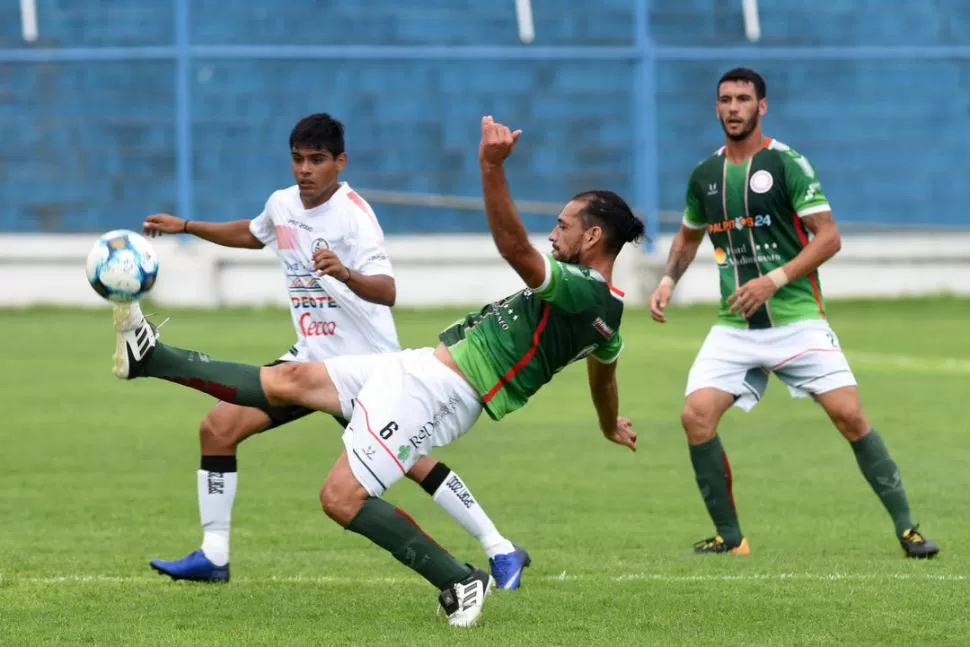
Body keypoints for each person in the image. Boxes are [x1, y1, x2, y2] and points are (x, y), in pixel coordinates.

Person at [109, 116, 643, 627]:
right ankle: (149, 356)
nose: (553, 234)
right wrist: (607, 423)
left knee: (340, 498)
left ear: (593, 238)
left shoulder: (583, 289)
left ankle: (460, 578)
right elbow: (605, 373)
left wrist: (490, 167)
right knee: (290, 380)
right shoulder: (607, 317)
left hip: (445, 391)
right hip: (417, 369)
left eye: (562, 226)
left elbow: (513, 249)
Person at [139, 113, 530, 589]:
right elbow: (254, 232)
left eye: (317, 160)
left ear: (340, 163)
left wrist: (346, 273)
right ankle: (214, 554)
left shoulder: (354, 216)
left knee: (413, 462)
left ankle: (501, 550)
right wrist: (186, 225)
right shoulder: (282, 204)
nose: (305, 170)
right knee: (218, 427)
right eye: (298, 160)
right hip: (310, 360)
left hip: (369, 369)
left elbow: (386, 290)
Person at [648, 68, 939, 559]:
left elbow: (829, 236)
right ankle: (731, 538)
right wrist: (667, 280)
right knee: (696, 417)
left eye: (744, 99)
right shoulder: (704, 176)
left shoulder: (788, 165)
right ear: (716, 108)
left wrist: (774, 279)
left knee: (848, 415)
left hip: (797, 317)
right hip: (735, 324)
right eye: (725, 99)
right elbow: (688, 236)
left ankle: (908, 529)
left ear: (762, 106)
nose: (734, 107)